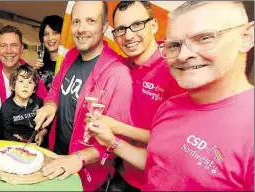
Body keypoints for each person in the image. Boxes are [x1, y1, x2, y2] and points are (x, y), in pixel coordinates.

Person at [90, 1, 254, 191]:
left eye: (204, 38)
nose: (183, 55)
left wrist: (117, 128)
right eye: (175, 44)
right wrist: (112, 141)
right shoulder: (170, 107)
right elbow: (159, 162)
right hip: (120, 170)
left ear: (247, 37)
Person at [33, 1, 133, 191]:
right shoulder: (70, 56)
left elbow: (117, 141)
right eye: (76, 22)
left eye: (90, 21)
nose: (81, 29)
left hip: (87, 175)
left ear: (104, 26)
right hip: (56, 157)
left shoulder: (118, 74)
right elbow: (55, 90)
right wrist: (50, 106)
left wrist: (79, 158)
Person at [99, 1, 185, 191]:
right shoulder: (122, 67)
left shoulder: (175, 67)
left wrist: (115, 127)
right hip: (119, 170)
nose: (128, 36)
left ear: (153, 25)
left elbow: (174, 140)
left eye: (137, 24)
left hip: (152, 181)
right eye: (120, 29)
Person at [0, 25, 48, 104]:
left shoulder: (32, 75)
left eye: (14, 45)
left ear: (21, 48)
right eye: (3, 45)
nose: (8, 51)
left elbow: (45, 103)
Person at [0, 65, 46, 145]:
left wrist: (42, 133)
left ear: (34, 88)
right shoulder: (6, 107)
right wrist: (15, 140)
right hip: (16, 146)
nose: (26, 86)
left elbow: (48, 124)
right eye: (21, 81)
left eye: (30, 82)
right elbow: (5, 132)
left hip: (38, 146)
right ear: (12, 85)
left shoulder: (39, 102)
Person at [31, 15, 63, 90]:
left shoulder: (69, 64)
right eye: (46, 34)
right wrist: (32, 73)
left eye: (55, 33)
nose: (50, 38)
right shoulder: (40, 64)